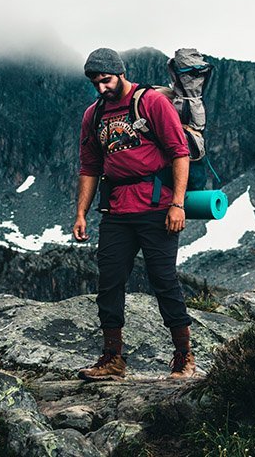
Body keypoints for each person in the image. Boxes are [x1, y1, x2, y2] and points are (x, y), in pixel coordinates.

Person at [73, 47, 195, 380]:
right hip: (115, 210)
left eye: (106, 80)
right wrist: (81, 213)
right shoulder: (93, 115)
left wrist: (178, 204)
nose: (101, 88)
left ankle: (184, 358)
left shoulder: (152, 103)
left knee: (164, 279)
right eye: (95, 83)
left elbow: (179, 153)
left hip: (157, 207)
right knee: (109, 282)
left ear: (120, 72)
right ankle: (112, 359)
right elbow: (90, 167)